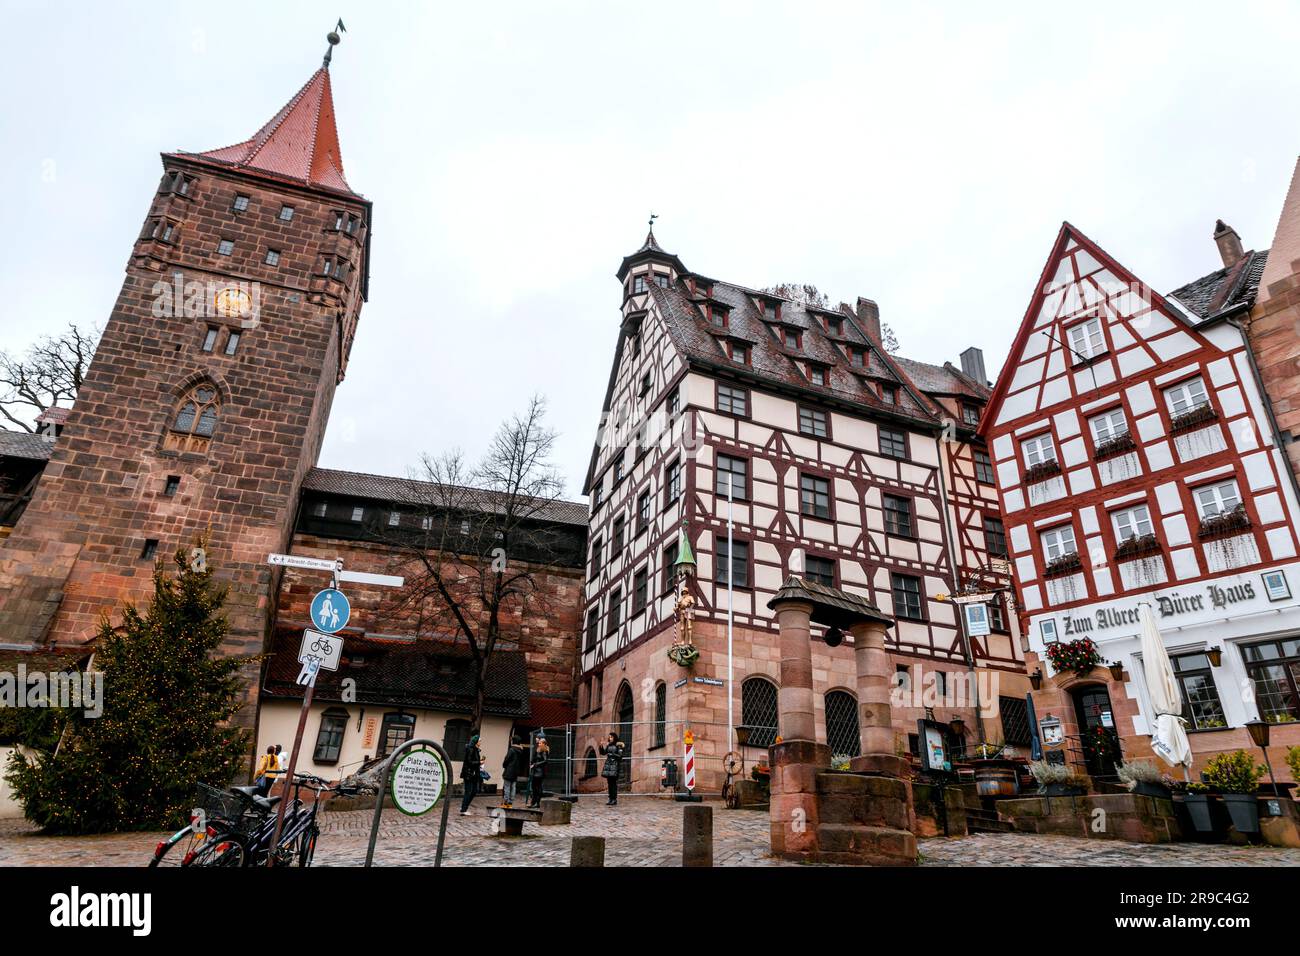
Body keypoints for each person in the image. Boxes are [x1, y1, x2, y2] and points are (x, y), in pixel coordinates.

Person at [460, 733, 483, 815]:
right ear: (476, 741)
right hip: (469, 773)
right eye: (480, 741)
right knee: (468, 792)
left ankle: (464, 807)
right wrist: (479, 762)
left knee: (474, 791)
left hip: (474, 774)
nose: (481, 742)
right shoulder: (470, 749)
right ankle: (463, 809)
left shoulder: (476, 750)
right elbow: (469, 762)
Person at [599, 732, 625, 806]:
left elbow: (620, 756)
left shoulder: (618, 745)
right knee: (609, 783)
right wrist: (601, 745)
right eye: (609, 737)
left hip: (615, 766)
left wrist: (612, 755)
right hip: (608, 766)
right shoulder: (608, 745)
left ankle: (614, 799)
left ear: (614, 738)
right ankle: (610, 799)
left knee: (613, 784)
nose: (609, 738)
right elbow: (603, 753)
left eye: (611, 737)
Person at [501, 736, 526, 808]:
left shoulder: (511, 750)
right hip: (516, 771)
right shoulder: (521, 751)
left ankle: (506, 802)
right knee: (513, 787)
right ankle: (510, 802)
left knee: (507, 787)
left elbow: (506, 760)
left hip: (509, 770)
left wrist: (504, 765)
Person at [527, 738, 549, 808]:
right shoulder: (538, 750)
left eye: (540, 743)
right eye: (538, 743)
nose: (539, 744)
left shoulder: (544, 751)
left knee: (537, 788)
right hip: (535, 771)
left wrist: (535, 764)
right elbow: (535, 758)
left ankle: (537, 803)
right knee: (534, 788)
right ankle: (533, 802)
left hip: (539, 772)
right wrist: (532, 762)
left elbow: (545, 761)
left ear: (544, 744)